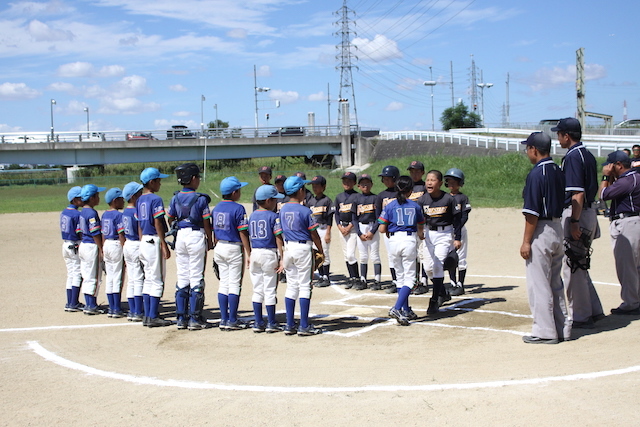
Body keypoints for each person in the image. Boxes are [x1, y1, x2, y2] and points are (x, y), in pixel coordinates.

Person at [552, 117, 604, 328]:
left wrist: (574, 221)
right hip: (587, 212)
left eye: (559, 134)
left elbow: (578, 194)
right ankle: (594, 309)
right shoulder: (587, 154)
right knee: (579, 264)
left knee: (573, 265)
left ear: (566, 135)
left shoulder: (573, 156)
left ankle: (582, 315)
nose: (558, 138)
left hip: (578, 212)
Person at [519, 132, 570, 344]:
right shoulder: (558, 169)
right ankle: (563, 328)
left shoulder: (536, 173)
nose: (527, 152)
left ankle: (545, 331)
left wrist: (526, 241)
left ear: (534, 149)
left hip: (541, 229)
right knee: (555, 282)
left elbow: (532, 213)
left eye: (528, 148)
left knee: (538, 283)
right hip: (558, 226)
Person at [167, 163, 213, 331]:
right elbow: (206, 221)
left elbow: (170, 218)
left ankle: (181, 317)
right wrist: (209, 239)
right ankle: (195, 317)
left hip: (180, 236)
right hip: (195, 236)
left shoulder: (175, 198)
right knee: (196, 276)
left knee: (182, 276)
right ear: (193, 179)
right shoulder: (200, 199)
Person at [279, 175, 325, 336]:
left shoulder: (282, 209)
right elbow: (314, 234)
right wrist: (321, 249)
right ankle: (304, 325)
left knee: (292, 286)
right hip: (303, 248)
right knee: (305, 285)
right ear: (300, 190)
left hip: (288, 249)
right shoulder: (305, 210)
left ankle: (290, 324)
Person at [378, 175, 425, 325]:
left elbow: (381, 228)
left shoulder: (390, 205)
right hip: (408, 240)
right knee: (410, 279)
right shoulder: (415, 205)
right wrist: (421, 235)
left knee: (400, 277)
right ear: (410, 190)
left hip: (393, 240)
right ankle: (397, 308)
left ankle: (406, 310)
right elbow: (420, 226)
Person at [599, 150, 640, 315]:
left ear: (619, 165)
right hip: (635, 221)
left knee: (627, 266)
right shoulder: (636, 177)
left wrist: (605, 178)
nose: (608, 168)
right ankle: (636, 300)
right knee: (636, 265)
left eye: (611, 165)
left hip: (627, 223)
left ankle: (631, 302)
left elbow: (603, 195)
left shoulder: (626, 181)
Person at [419, 170, 462, 315]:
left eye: (433, 180)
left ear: (440, 183)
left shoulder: (448, 199)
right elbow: (420, 219)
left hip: (444, 234)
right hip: (428, 234)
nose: (429, 182)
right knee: (428, 268)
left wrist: (457, 238)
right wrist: (420, 231)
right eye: (427, 180)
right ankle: (443, 292)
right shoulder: (423, 200)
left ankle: (434, 300)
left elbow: (457, 220)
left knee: (437, 265)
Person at [213, 176, 251, 331]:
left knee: (224, 283)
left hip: (219, 246)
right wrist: (249, 252)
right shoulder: (238, 208)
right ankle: (233, 319)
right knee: (234, 284)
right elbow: (243, 232)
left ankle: (223, 319)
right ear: (234, 192)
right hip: (234, 247)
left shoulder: (216, 208)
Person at [137, 167, 172, 328]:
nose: (160, 183)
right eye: (158, 181)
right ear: (152, 182)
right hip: (153, 239)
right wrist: (163, 243)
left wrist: (141, 240)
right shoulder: (155, 199)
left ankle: (147, 314)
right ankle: (152, 315)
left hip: (144, 239)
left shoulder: (139, 200)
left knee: (148, 278)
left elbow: (139, 224)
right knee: (157, 279)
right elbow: (158, 222)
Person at [248, 185, 285, 333]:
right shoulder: (273, 216)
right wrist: (282, 257)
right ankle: (271, 322)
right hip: (268, 253)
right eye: (275, 200)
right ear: (268, 201)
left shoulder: (252, 216)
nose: (276, 202)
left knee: (257, 289)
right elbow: (278, 237)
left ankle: (258, 322)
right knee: (269, 289)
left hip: (255, 252)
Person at [78, 184, 106, 315]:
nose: (98, 198)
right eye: (97, 196)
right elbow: (95, 232)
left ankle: (89, 302)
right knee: (94, 277)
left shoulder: (82, 211)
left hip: (83, 244)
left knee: (86, 275)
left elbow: (78, 230)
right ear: (92, 198)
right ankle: (91, 305)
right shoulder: (91, 213)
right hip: (91, 245)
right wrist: (101, 248)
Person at [444, 168, 471, 296]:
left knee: (461, 256)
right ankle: (453, 283)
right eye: (449, 181)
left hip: (459, 229)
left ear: (460, 183)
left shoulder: (463, 198)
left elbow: (465, 215)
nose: (451, 184)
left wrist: (457, 227)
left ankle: (460, 284)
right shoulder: (445, 197)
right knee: (450, 256)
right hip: (447, 230)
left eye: (454, 181)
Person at [335, 171, 362, 289]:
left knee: (351, 254)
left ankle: (356, 278)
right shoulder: (339, 197)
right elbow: (336, 214)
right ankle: (351, 278)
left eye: (349, 181)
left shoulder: (357, 196)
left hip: (353, 229)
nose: (346, 183)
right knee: (346, 255)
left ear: (354, 183)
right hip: (342, 228)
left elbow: (358, 215)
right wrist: (340, 227)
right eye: (344, 181)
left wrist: (350, 227)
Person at [121, 181, 144, 322]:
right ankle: (138, 310)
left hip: (127, 244)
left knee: (132, 279)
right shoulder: (136, 212)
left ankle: (132, 309)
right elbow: (140, 228)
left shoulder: (125, 212)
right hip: (135, 243)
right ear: (134, 196)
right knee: (139, 278)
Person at [375, 165, 400, 293]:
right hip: (388, 230)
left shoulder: (401, 193)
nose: (385, 180)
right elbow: (379, 214)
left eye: (387, 178)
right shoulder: (381, 196)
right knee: (391, 255)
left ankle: (411, 281)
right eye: (383, 178)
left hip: (401, 229)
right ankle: (395, 280)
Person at [102, 187, 126, 318]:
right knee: (117, 276)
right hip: (116, 244)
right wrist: (124, 246)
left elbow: (102, 233)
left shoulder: (105, 214)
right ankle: (116, 308)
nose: (123, 201)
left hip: (107, 244)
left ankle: (112, 307)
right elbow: (121, 233)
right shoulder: (118, 215)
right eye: (121, 199)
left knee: (110, 277)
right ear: (115, 201)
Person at [355, 173, 382, 289]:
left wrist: (373, 231)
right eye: (362, 184)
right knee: (363, 255)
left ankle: (377, 280)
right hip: (361, 227)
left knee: (375, 255)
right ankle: (363, 279)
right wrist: (359, 233)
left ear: (371, 184)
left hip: (372, 227)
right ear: (359, 186)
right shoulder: (357, 199)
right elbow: (354, 218)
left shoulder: (375, 198)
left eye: (367, 183)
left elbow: (379, 217)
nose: (365, 185)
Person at [307, 175, 334, 287]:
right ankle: (321, 275)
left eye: (317, 185)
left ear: (323, 187)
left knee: (324, 253)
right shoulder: (310, 201)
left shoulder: (327, 200)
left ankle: (326, 277)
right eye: (313, 185)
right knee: (316, 254)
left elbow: (329, 219)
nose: (314, 188)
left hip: (323, 229)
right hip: (314, 231)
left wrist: (328, 232)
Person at [61, 186, 84, 312]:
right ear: (75, 200)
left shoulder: (64, 212)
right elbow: (79, 232)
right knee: (77, 274)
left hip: (65, 244)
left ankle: (70, 302)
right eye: (81, 198)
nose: (83, 199)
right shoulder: (77, 214)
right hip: (74, 244)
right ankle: (74, 302)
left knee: (71, 274)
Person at [407, 160, 429, 294]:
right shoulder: (408, 187)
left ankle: (425, 280)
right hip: (410, 225)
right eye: (411, 172)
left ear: (422, 173)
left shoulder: (425, 187)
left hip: (423, 224)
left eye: (417, 171)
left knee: (423, 253)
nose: (414, 174)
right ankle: (415, 281)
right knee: (412, 253)